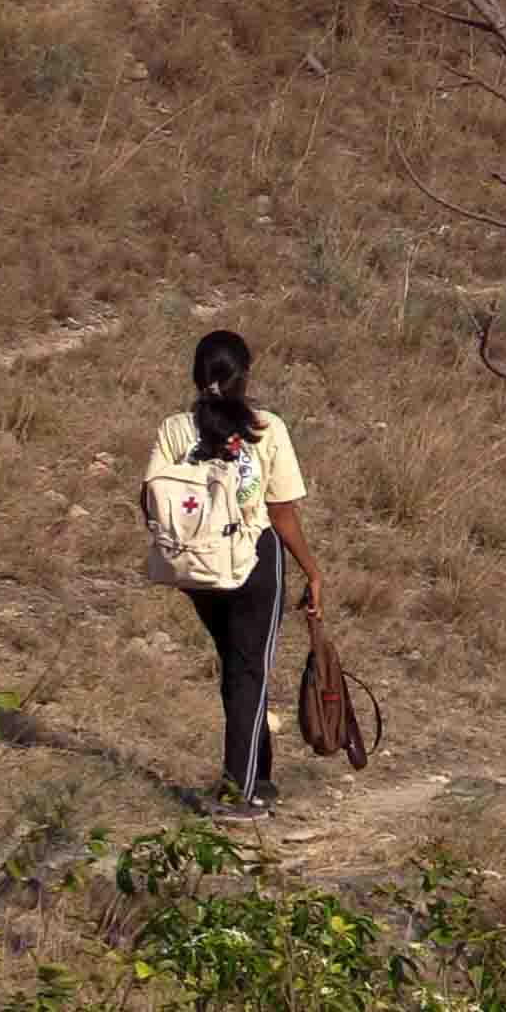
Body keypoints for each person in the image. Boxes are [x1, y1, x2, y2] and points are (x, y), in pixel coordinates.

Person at [145, 330, 324, 822]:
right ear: (244, 375)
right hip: (253, 561)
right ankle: (240, 793)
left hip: (196, 566)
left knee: (238, 667)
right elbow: (282, 512)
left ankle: (258, 777)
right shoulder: (267, 428)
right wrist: (312, 569)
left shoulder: (174, 429)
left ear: (197, 375)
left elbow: (150, 499)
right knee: (249, 671)